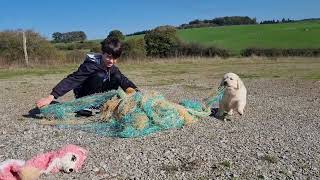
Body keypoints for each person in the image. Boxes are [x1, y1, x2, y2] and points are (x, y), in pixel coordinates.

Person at [36, 37, 138, 109]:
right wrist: (50, 97)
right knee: (100, 75)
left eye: (115, 58)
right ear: (102, 53)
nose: (111, 61)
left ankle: (104, 103)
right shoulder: (89, 65)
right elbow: (72, 79)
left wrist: (137, 93)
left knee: (116, 75)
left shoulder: (112, 67)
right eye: (108, 56)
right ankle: (90, 105)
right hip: (84, 96)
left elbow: (124, 80)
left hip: (100, 96)